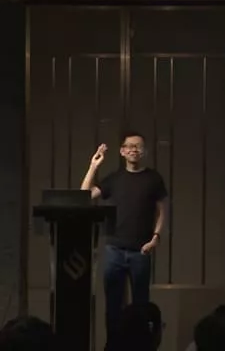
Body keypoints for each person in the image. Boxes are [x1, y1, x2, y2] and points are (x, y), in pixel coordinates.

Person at [80, 131, 168, 351]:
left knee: (141, 308)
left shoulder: (153, 179)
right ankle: (113, 347)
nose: (133, 149)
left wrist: (156, 238)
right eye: (129, 146)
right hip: (114, 250)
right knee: (113, 308)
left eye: (138, 146)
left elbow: (162, 211)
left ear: (144, 151)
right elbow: (84, 195)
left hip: (141, 251)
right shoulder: (114, 178)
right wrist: (94, 166)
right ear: (122, 151)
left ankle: (141, 347)